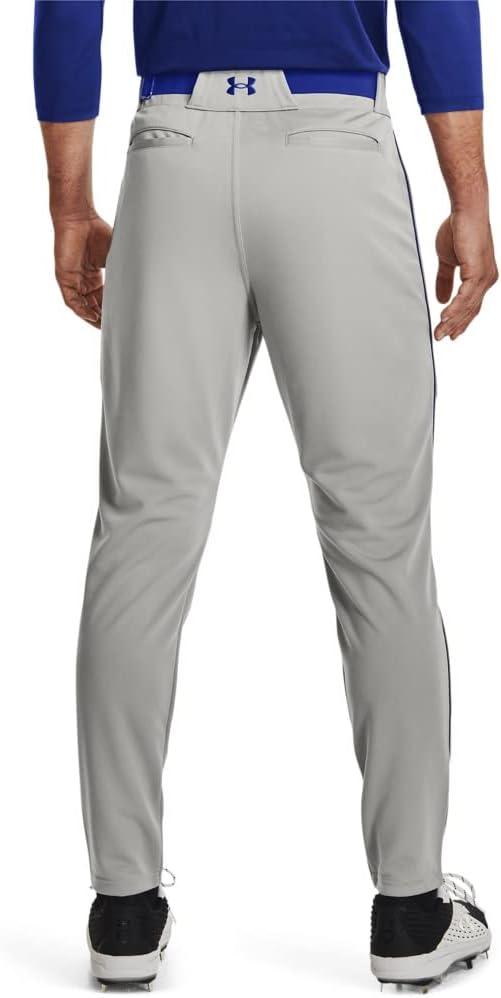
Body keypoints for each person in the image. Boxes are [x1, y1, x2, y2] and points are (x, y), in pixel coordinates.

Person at [34, 1, 497, 989]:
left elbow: (67, 7)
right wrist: (470, 194)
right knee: (379, 534)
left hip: (173, 150)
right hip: (335, 147)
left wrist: (70, 204)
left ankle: (123, 908)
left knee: (142, 531)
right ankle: (411, 909)